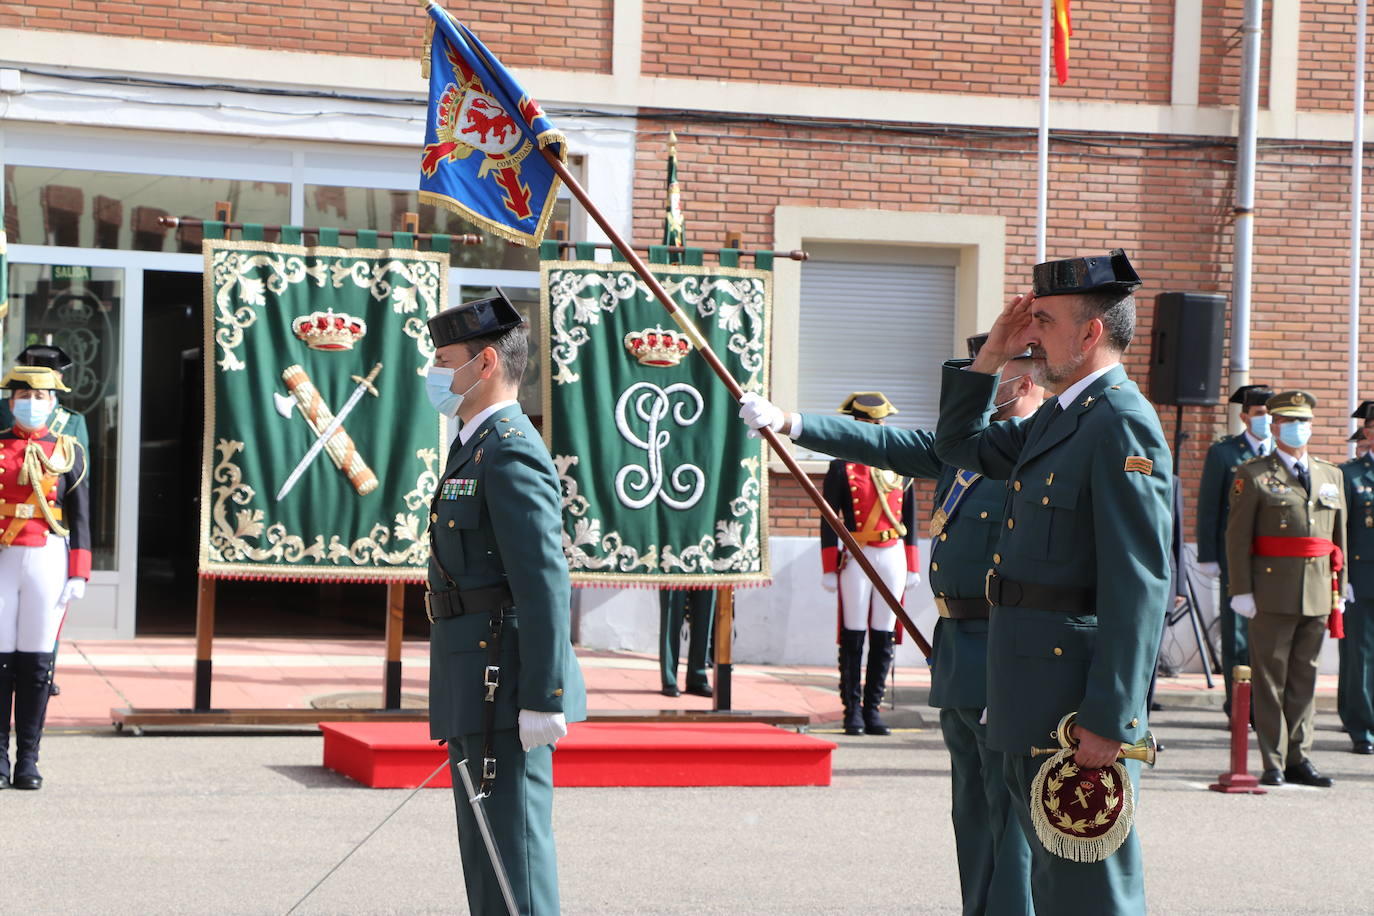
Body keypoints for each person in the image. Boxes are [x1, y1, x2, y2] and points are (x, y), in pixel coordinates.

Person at [740, 338, 1041, 916]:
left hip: (1005, 651)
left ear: (1024, 382)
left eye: (992, 375)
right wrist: (791, 422)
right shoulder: (967, 453)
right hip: (959, 651)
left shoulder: (1036, 453)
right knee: (972, 812)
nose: (979, 390)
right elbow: (882, 443)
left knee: (1012, 816)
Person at [931, 249, 1171, 913]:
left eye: (1043, 320)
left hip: (1074, 704)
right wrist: (987, 363)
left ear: (1090, 333)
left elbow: (1139, 582)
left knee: (1088, 887)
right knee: (1046, 880)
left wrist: (1111, 717)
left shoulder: (1119, 420)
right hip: (1025, 687)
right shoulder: (1060, 419)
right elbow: (959, 447)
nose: (1029, 336)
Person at [424, 291, 587, 914]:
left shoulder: (510, 447)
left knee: (512, 863)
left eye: (445, 359)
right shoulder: (475, 444)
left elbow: (544, 579)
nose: (436, 373)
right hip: (476, 680)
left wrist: (544, 697)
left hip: (506, 684)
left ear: (484, 364)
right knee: (486, 863)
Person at [1226, 390, 1345, 787]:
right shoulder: (1254, 474)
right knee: (1271, 679)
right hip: (1271, 592)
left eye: (1304, 421)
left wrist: (1340, 589)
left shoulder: (1331, 475)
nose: (1298, 428)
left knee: (1304, 679)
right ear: (1274, 427)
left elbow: (1338, 539)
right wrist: (1241, 589)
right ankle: (1274, 760)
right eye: (1289, 421)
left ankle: (1300, 756)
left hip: (1316, 592)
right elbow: (1237, 537)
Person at [1, 365, 90, 791]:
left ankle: (29, 760)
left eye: (40, 398)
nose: (31, 405)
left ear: (54, 403)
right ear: (10, 401)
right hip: (2, 557)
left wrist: (80, 571)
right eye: (23, 396)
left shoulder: (68, 449)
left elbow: (82, 516)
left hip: (48, 557)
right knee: (0, 660)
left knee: (37, 662)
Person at [816, 392, 918, 736]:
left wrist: (913, 563)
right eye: (868, 424)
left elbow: (911, 519)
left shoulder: (900, 465)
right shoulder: (840, 465)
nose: (875, 428)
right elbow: (829, 519)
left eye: (878, 423)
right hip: (857, 554)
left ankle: (873, 709)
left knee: (883, 634)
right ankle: (852, 711)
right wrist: (829, 565)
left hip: (891, 553)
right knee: (853, 634)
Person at [1195, 384, 1273, 718]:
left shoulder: (1280, 452)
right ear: (1244, 417)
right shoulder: (1225, 453)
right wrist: (1208, 554)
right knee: (1238, 635)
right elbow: (1209, 507)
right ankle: (1240, 707)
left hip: (1274, 560)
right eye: (1259, 414)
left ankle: (1265, 704)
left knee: (1270, 634)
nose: (1266, 420)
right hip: (1234, 558)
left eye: (1270, 414)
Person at [1340, 403, 1374, 755]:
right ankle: (1362, 727)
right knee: (1360, 655)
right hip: (1362, 577)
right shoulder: (1351, 475)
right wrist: (1342, 576)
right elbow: (1341, 531)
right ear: (1368, 431)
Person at [658, 589, 714, 697]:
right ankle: (670, 680)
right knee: (671, 617)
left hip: (707, 572)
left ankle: (698, 678)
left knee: (704, 615)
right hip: (674, 573)